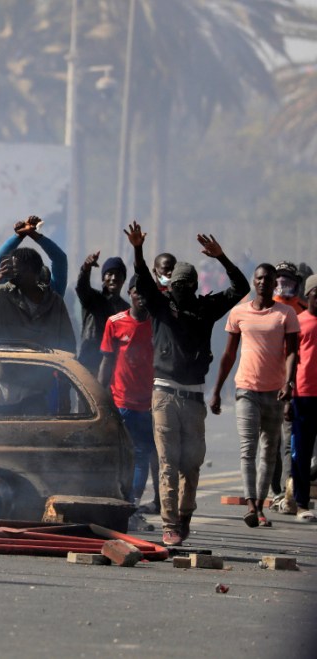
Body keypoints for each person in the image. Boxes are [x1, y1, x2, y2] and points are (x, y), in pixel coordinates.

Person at [125, 221, 249, 547]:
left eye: (185, 284)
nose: (180, 289)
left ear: (194, 286)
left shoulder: (205, 308)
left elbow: (240, 287)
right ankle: (170, 525)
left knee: (191, 464)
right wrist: (138, 249)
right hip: (164, 394)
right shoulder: (161, 307)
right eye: (175, 284)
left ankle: (184, 517)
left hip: (193, 398)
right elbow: (142, 278)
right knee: (168, 463)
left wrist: (221, 257)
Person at [210, 264, 299, 528]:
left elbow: (292, 352)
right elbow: (229, 354)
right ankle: (250, 504)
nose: (263, 283)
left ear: (274, 284)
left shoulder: (286, 314)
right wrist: (217, 390)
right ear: (254, 281)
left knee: (269, 451)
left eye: (268, 279)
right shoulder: (239, 312)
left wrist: (289, 383)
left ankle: (260, 506)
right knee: (248, 449)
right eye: (259, 278)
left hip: (274, 391)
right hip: (246, 389)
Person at [0, 247, 76, 415]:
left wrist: (65, 387)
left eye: (17, 269)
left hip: (37, 384)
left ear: (32, 271)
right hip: (4, 381)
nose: (13, 273)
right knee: (3, 430)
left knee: (35, 430)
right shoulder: (2, 293)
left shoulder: (54, 302)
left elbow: (67, 344)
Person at [98, 275, 155, 509]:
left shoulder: (158, 323)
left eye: (145, 292)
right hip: (120, 401)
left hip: (148, 404)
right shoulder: (115, 322)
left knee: (141, 455)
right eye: (136, 291)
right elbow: (106, 361)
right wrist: (99, 396)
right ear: (130, 293)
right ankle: (118, 501)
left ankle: (133, 505)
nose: (141, 296)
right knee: (119, 455)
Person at [269, 261, 306, 513]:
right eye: (279, 278)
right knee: (270, 441)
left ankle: (287, 491)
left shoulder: (302, 310)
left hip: (292, 384)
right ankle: (274, 490)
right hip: (266, 381)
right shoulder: (264, 307)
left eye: (288, 279)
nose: (283, 284)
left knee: (289, 441)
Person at [287, 273, 317, 522]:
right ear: (308, 296)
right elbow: (288, 360)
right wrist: (287, 397)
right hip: (303, 394)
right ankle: (301, 503)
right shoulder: (298, 323)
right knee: (302, 453)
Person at [76, 252, 129, 375]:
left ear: (123, 280)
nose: (113, 278)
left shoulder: (126, 310)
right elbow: (82, 287)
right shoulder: (92, 299)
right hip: (88, 366)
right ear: (103, 278)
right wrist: (86, 269)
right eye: (109, 274)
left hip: (113, 370)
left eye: (118, 274)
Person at [0, 216, 68, 296]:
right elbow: (60, 259)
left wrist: (20, 235)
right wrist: (32, 234)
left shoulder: (8, 294)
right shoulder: (52, 294)